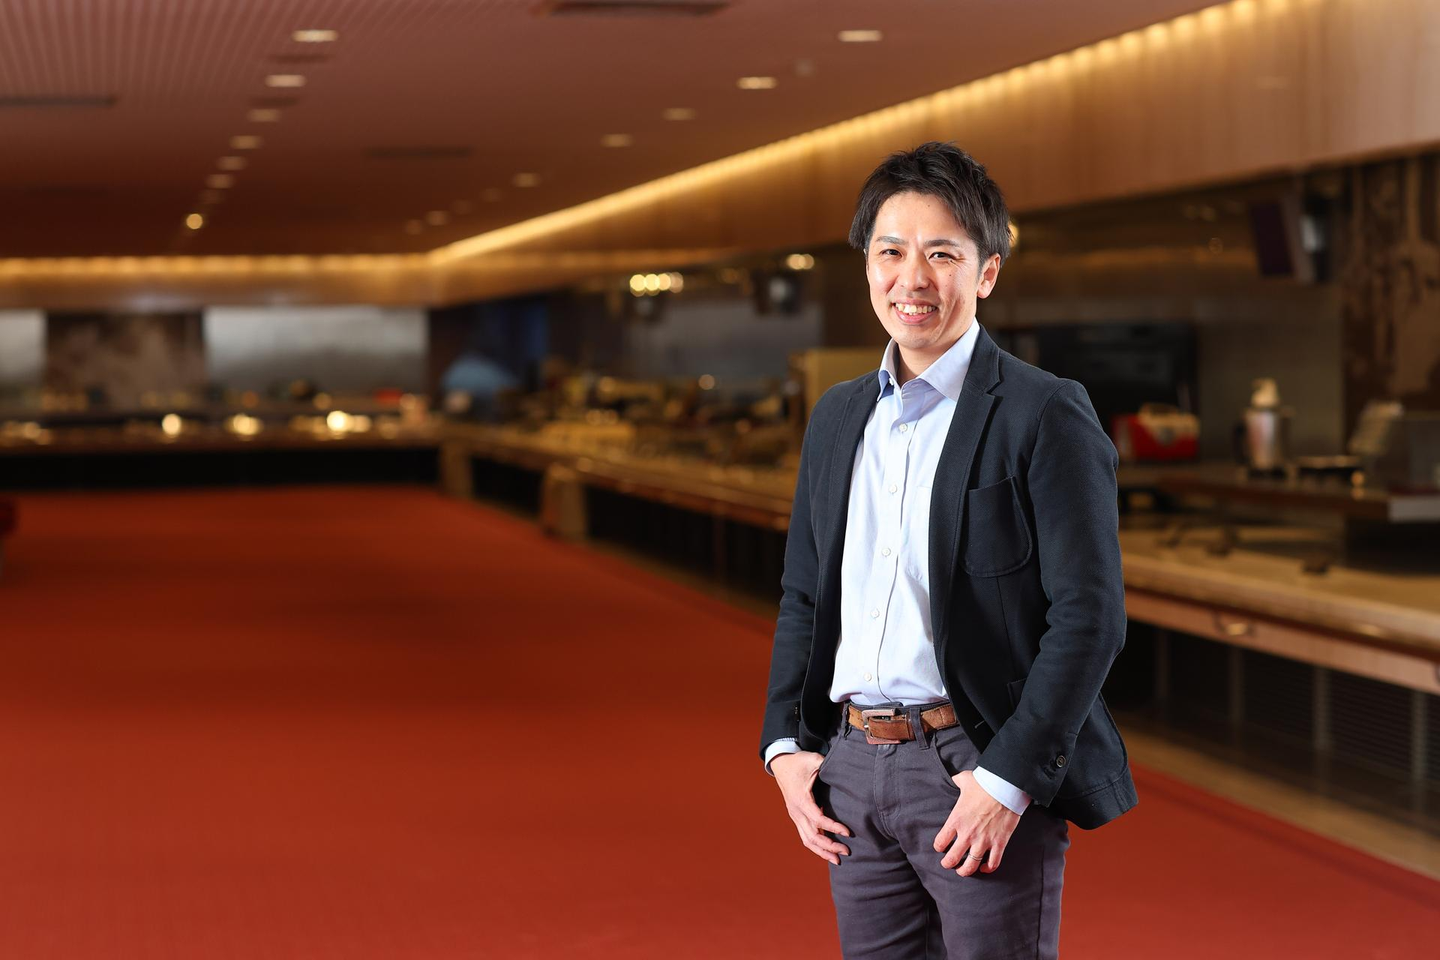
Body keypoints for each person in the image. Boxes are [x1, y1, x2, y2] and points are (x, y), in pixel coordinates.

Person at [760, 142, 1136, 960]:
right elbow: (805, 596)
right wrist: (785, 746)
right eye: (891, 252)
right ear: (867, 266)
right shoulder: (839, 415)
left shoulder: (1043, 411)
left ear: (987, 271)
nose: (913, 278)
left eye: (942, 254)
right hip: (852, 767)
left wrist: (1008, 779)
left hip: (973, 762)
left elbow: (1089, 618)